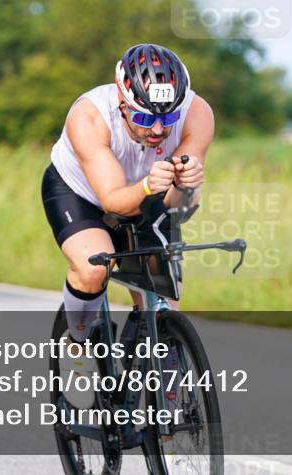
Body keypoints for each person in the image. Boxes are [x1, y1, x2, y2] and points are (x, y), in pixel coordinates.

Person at [42, 43, 214, 346]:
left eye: (168, 118)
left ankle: (153, 366)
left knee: (164, 297)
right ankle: (77, 346)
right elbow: (112, 202)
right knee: (94, 269)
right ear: (123, 102)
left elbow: (176, 206)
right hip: (82, 194)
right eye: (146, 119)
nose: (159, 130)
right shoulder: (90, 116)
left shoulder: (197, 114)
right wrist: (148, 186)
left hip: (149, 194)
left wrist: (185, 186)